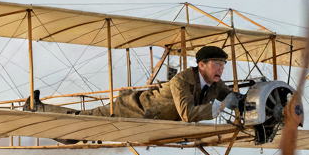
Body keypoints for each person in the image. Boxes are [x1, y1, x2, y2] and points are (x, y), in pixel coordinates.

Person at [82, 45, 240, 122]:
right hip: (134, 109)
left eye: (223, 63)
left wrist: (249, 99)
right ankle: (60, 116)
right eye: (217, 63)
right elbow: (187, 114)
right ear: (202, 65)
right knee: (85, 119)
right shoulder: (181, 80)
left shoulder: (216, 84)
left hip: (159, 118)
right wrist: (221, 106)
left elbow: (233, 97)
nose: (222, 67)